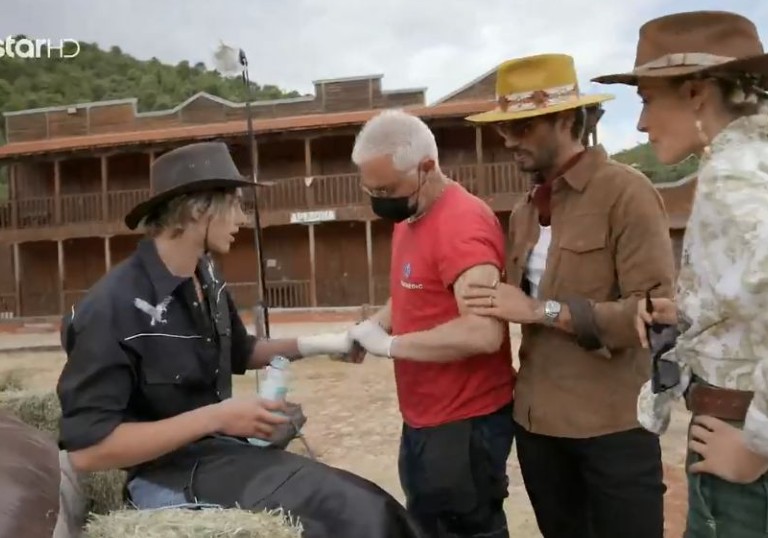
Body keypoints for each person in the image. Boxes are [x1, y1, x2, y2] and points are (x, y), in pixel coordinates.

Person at [54, 141, 426, 538]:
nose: (242, 219)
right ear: (197, 210)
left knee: (369, 505)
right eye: (234, 205)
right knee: (351, 515)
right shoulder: (112, 307)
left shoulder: (207, 277)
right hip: (168, 479)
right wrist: (218, 417)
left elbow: (241, 351)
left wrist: (328, 342)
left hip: (226, 455)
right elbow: (89, 450)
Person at [592, 10, 768, 537]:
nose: (642, 123)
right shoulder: (762, 162)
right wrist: (702, 316)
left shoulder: (735, 177)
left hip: (763, 488)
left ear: (696, 93)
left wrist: (760, 448)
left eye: (646, 100)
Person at [458, 53, 676, 538]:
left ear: (565, 120)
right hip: (537, 427)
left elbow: (655, 316)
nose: (508, 140)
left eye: (523, 126)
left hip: (613, 427)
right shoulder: (523, 212)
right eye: (503, 128)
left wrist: (541, 310)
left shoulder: (627, 193)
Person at [345, 109, 516, 538]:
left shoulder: (462, 225)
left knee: (465, 529)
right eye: (371, 189)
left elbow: (482, 331)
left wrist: (391, 346)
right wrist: (373, 328)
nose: (379, 199)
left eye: (387, 189)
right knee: (425, 526)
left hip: (465, 421)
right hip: (423, 416)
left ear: (426, 167)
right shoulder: (411, 214)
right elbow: (412, 291)